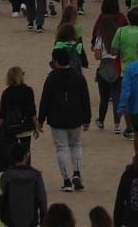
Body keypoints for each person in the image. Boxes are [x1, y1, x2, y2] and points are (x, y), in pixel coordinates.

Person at [38, 46, 94, 193]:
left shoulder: (51, 78)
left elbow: (45, 100)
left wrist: (40, 119)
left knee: (61, 148)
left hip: (57, 118)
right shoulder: (78, 77)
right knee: (76, 144)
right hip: (76, 116)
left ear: (56, 61)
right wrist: (87, 118)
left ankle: (67, 180)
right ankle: (76, 172)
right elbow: (85, 99)